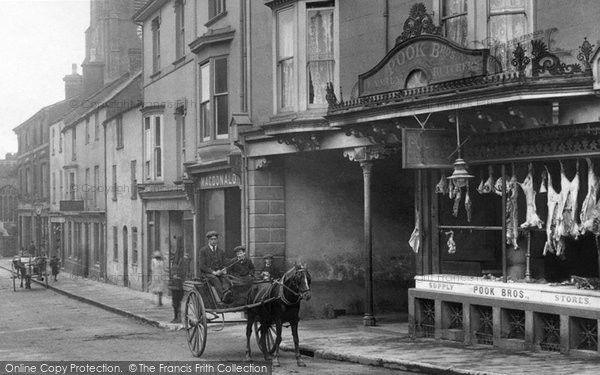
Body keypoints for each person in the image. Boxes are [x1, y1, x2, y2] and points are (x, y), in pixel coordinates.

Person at [198, 231, 232, 304]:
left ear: (217, 240)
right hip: (207, 274)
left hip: (219, 272)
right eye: (212, 239)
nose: (214, 241)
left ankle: (227, 293)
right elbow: (202, 266)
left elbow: (223, 264)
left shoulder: (221, 251)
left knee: (226, 277)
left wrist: (223, 270)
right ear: (208, 240)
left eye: (215, 239)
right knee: (215, 279)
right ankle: (222, 297)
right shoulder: (203, 251)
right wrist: (213, 272)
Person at [168, 251, 190, 323]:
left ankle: (178, 318)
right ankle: (177, 317)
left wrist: (175, 276)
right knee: (176, 303)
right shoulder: (180, 263)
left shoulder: (179, 264)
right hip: (176, 286)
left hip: (177, 286)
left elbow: (177, 275)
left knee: (176, 303)